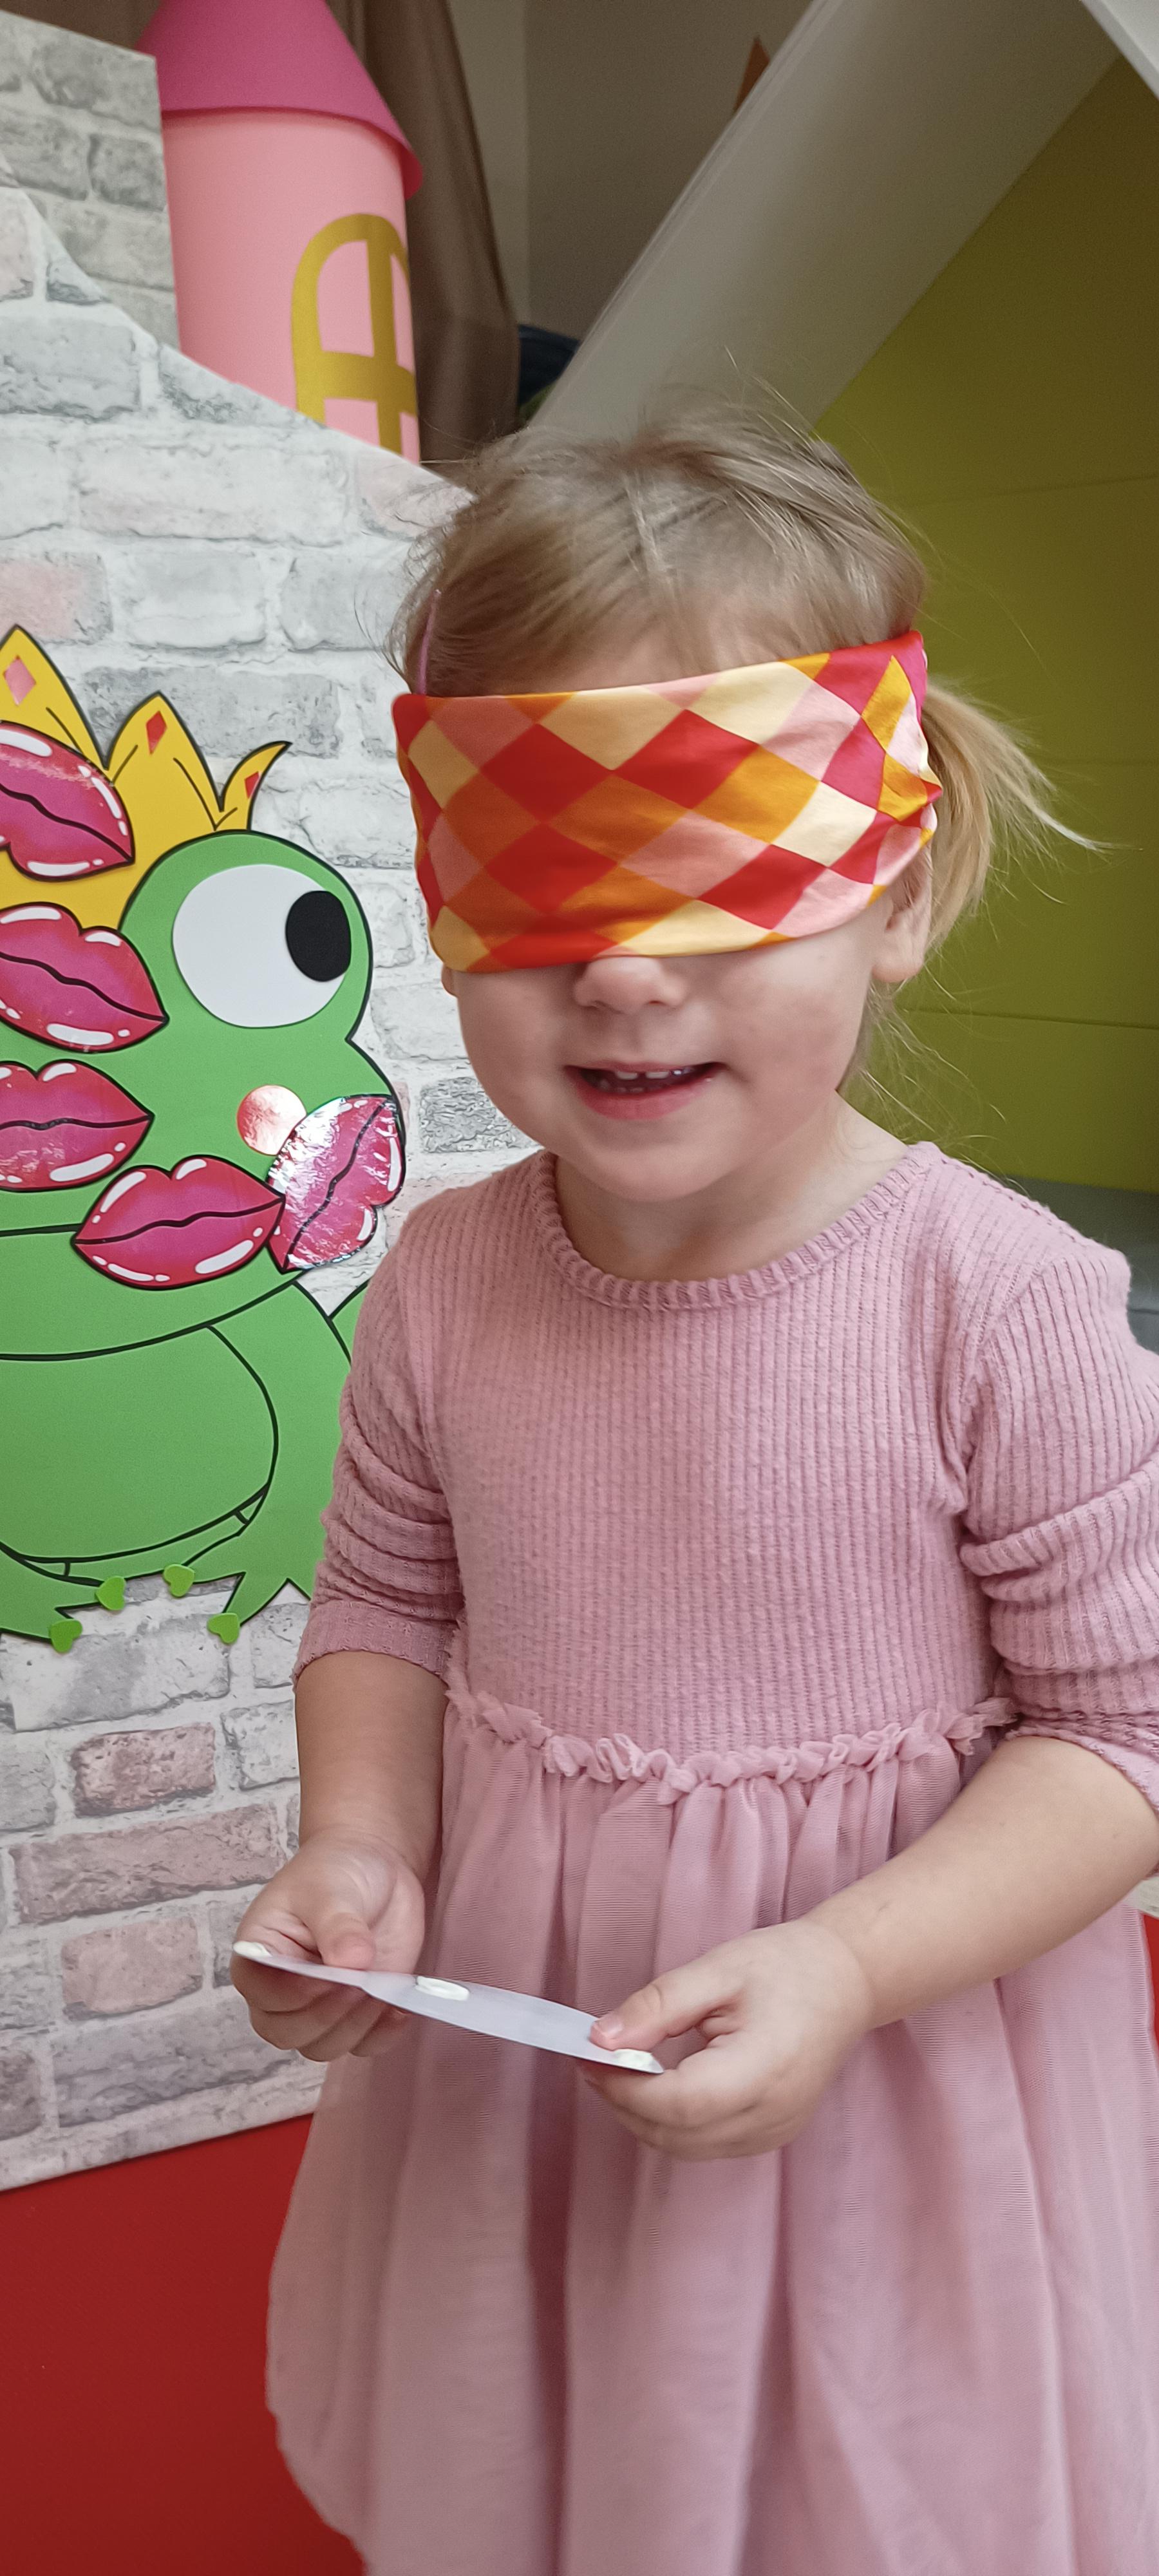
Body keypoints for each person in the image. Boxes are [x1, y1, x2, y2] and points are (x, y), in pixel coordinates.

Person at [232, 413, 1159, 2576]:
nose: (626, 973)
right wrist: (361, 1843)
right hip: (527, 2075)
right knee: (542, 2475)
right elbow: (383, 1603)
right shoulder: (446, 1277)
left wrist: (845, 1965)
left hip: (883, 2073)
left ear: (895, 895)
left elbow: (1124, 1742)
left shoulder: (1001, 1304)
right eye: (545, 887)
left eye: (714, 874)